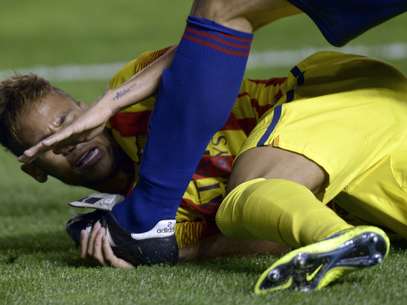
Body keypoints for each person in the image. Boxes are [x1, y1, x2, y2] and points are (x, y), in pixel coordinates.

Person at [18, 0, 407, 266]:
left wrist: (113, 101)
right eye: (46, 143)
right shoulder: (174, 225)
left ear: (85, 111)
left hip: (337, 100)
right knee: (248, 204)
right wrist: (165, 252)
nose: (68, 142)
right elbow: (267, 235)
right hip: (357, 169)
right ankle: (344, 239)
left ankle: (334, 236)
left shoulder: (135, 107)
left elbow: (205, 39)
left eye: (67, 121)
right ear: (34, 168)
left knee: (248, 188)